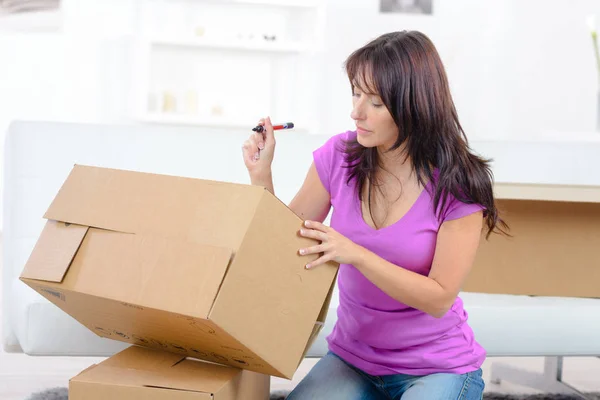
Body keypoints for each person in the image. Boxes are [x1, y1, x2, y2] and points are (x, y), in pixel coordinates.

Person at [242, 30, 507, 400]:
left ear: (413, 105)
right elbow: (286, 244)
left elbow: (438, 298)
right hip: (354, 360)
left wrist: (357, 254)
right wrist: (261, 176)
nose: (356, 112)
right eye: (355, 93)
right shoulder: (339, 157)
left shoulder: (458, 184)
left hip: (436, 366)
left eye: (376, 102)